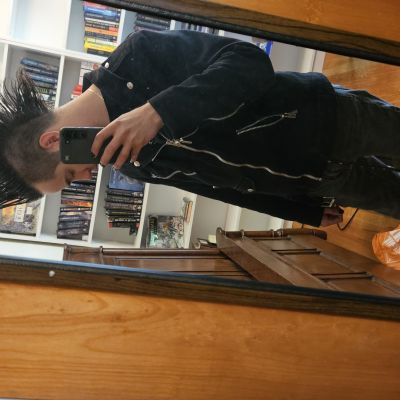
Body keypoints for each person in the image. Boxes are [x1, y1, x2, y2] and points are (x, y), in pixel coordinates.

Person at [0, 29, 399, 228]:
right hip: (315, 180)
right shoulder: (129, 163)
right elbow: (220, 186)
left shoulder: (136, 58)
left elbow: (249, 63)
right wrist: (300, 210)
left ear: (53, 141)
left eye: (70, 175)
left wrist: (156, 112)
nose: (87, 177)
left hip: (329, 120)